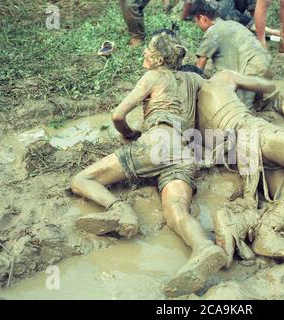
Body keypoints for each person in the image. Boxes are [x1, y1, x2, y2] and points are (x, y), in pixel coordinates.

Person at [70, 30, 227, 297]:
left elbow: (117, 115)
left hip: (156, 144)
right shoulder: (194, 80)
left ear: (158, 60)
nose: (144, 54)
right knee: (176, 209)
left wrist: (130, 135)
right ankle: (203, 247)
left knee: (81, 179)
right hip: (185, 153)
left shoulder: (153, 76)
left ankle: (120, 211)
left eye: (148, 51)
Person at [180, 64, 284, 262]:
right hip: (255, 134)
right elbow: (265, 85)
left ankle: (239, 222)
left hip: (241, 159)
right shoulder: (220, 78)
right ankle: (268, 226)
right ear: (201, 77)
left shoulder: (189, 119)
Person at [190, 0, 273, 109]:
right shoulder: (232, 24)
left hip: (251, 70)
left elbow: (200, 66)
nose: (198, 26)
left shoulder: (212, 32)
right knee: (259, 101)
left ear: (202, 18)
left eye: (197, 22)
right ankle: (274, 102)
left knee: (241, 109)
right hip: (265, 64)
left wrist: (193, 89)